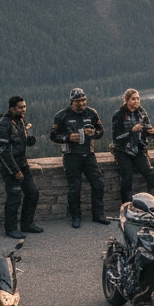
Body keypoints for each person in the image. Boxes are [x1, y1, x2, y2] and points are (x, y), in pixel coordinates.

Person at [49, 87, 108, 228]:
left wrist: (93, 133)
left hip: (88, 155)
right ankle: (75, 217)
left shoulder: (92, 113)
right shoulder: (61, 116)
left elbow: (101, 131)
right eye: (78, 102)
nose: (81, 104)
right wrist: (68, 138)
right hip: (71, 156)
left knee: (98, 184)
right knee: (75, 188)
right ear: (72, 102)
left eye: (84, 101)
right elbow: (53, 136)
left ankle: (98, 215)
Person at [0, 95, 42, 239]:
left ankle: (27, 224)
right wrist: (15, 171)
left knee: (33, 193)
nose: (23, 110)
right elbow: (3, 152)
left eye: (24, 107)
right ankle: (10, 229)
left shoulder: (20, 121)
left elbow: (18, 141)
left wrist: (28, 141)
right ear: (12, 108)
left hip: (22, 163)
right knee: (14, 197)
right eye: (20, 107)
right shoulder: (3, 125)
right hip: (10, 167)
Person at [111, 88, 154, 204]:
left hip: (138, 149)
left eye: (138, 98)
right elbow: (116, 139)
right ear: (127, 100)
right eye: (133, 99)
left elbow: (147, 130)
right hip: (122, 150)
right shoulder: (118, 115)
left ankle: (150, 203)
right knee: (127, 177)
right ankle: (127, 206)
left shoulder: (141, 112)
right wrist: (131, 131)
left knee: (152, 176)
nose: (136, 101)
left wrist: (152, 132)